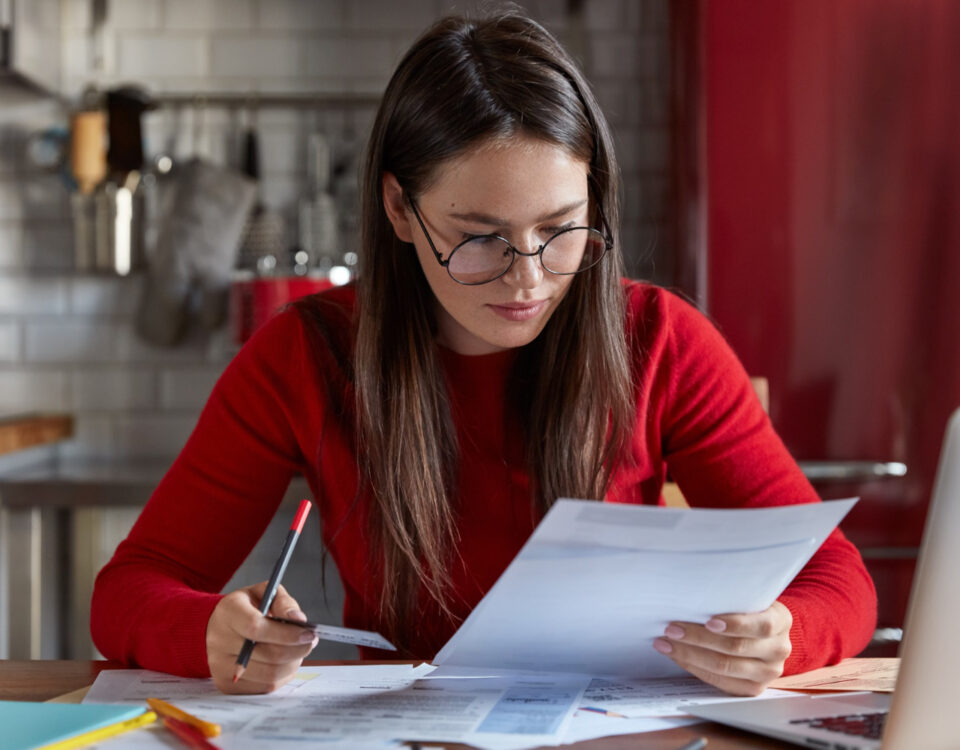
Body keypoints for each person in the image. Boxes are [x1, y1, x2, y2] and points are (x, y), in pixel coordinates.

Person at [91, 11, 877, 697]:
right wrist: (208, 631)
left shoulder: (661, 340)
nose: (529, 278)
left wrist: (782, 632)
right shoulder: (305, 355)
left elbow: (839, 581)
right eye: (480, 238)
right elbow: (128, 592)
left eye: (562, 228)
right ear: (400, 207)